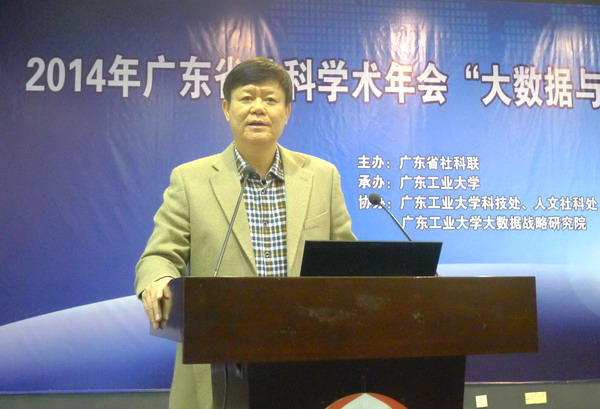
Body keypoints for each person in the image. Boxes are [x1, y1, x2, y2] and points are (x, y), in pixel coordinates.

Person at [135, 57, 356, 409]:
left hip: (304, 354)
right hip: (222, 359)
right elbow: (160, 254)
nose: (258, 108)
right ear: (226, 108)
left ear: (287, 112)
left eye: (270, 99)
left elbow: (346, 259)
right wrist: (158, 279)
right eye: (247, 98)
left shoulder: (322, 176)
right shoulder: (191, 179)